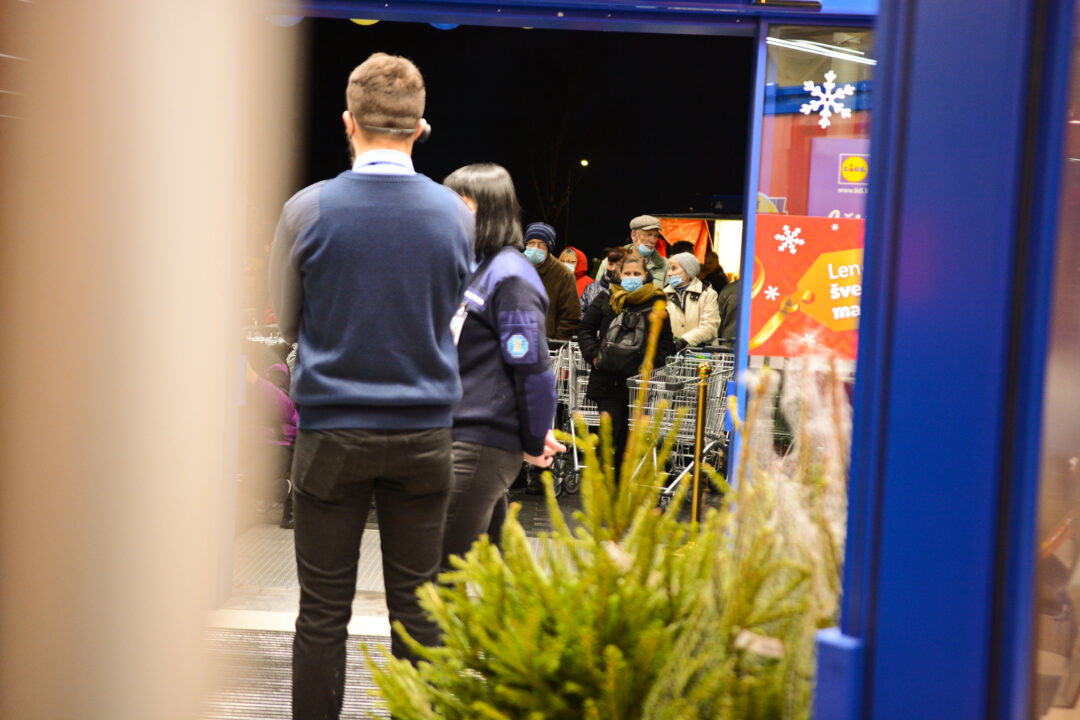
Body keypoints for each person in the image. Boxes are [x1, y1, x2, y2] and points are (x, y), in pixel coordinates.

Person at [268, 53, 474, 720]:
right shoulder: (454, 215)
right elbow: (448, 310)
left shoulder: (307, 209)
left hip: (330, 435)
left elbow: (288, 319)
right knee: (418, 610)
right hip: (425, 436)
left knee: (322, 615)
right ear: (421, 128)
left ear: (348, 122)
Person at [440, 163, 565, 569]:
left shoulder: (510, 276)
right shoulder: (481, 270)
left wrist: (534, 437)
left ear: (483, 208)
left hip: (479, 443)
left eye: (456, 203)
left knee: (441, 571)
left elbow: (533, 370)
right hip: (467, 437)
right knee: (491, 566)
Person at [577, 254, 675, 474]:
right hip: (606, 378)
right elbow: (585, 329)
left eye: (636, 274)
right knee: (609, 430)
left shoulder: (656, 303)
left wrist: (651, 364)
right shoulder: (606, 298)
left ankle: (620, 485)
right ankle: (600, 480)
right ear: (619, 275)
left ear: (646, 275)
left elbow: (666, 341)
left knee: (628, 439)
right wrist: (593, 356)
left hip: (637, 382)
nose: (631, 277)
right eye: (627, 273)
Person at [523, 222, 580, 340]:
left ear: (549, 248)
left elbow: (571, 316)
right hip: (516, 339)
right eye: (531, 243)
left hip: (548, 343)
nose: (535, 248)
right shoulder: (516, 267)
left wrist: (555, 341)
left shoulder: (564, 275)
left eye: (541, 244)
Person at [664, 252, 720, 350]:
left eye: (674, 268)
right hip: (671, 355)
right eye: (669, 269)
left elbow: (710, 327)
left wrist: (684, 341)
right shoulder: (663, 294)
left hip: (701, 355)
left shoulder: (708, 294)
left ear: (688, 271)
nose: (669, 273)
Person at [593, 215, 669, 287]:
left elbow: (669, 294)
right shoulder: (611, 262)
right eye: (648, 235)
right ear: (634, 235)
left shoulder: (665, 264)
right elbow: (597, 292)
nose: (653, 240)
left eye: (656, 236)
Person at [581, 246, 626, 314]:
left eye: (618, 265)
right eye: (611, 264)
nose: (613, 268)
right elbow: (580, 312)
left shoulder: (630, 289)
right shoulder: (591, 288)